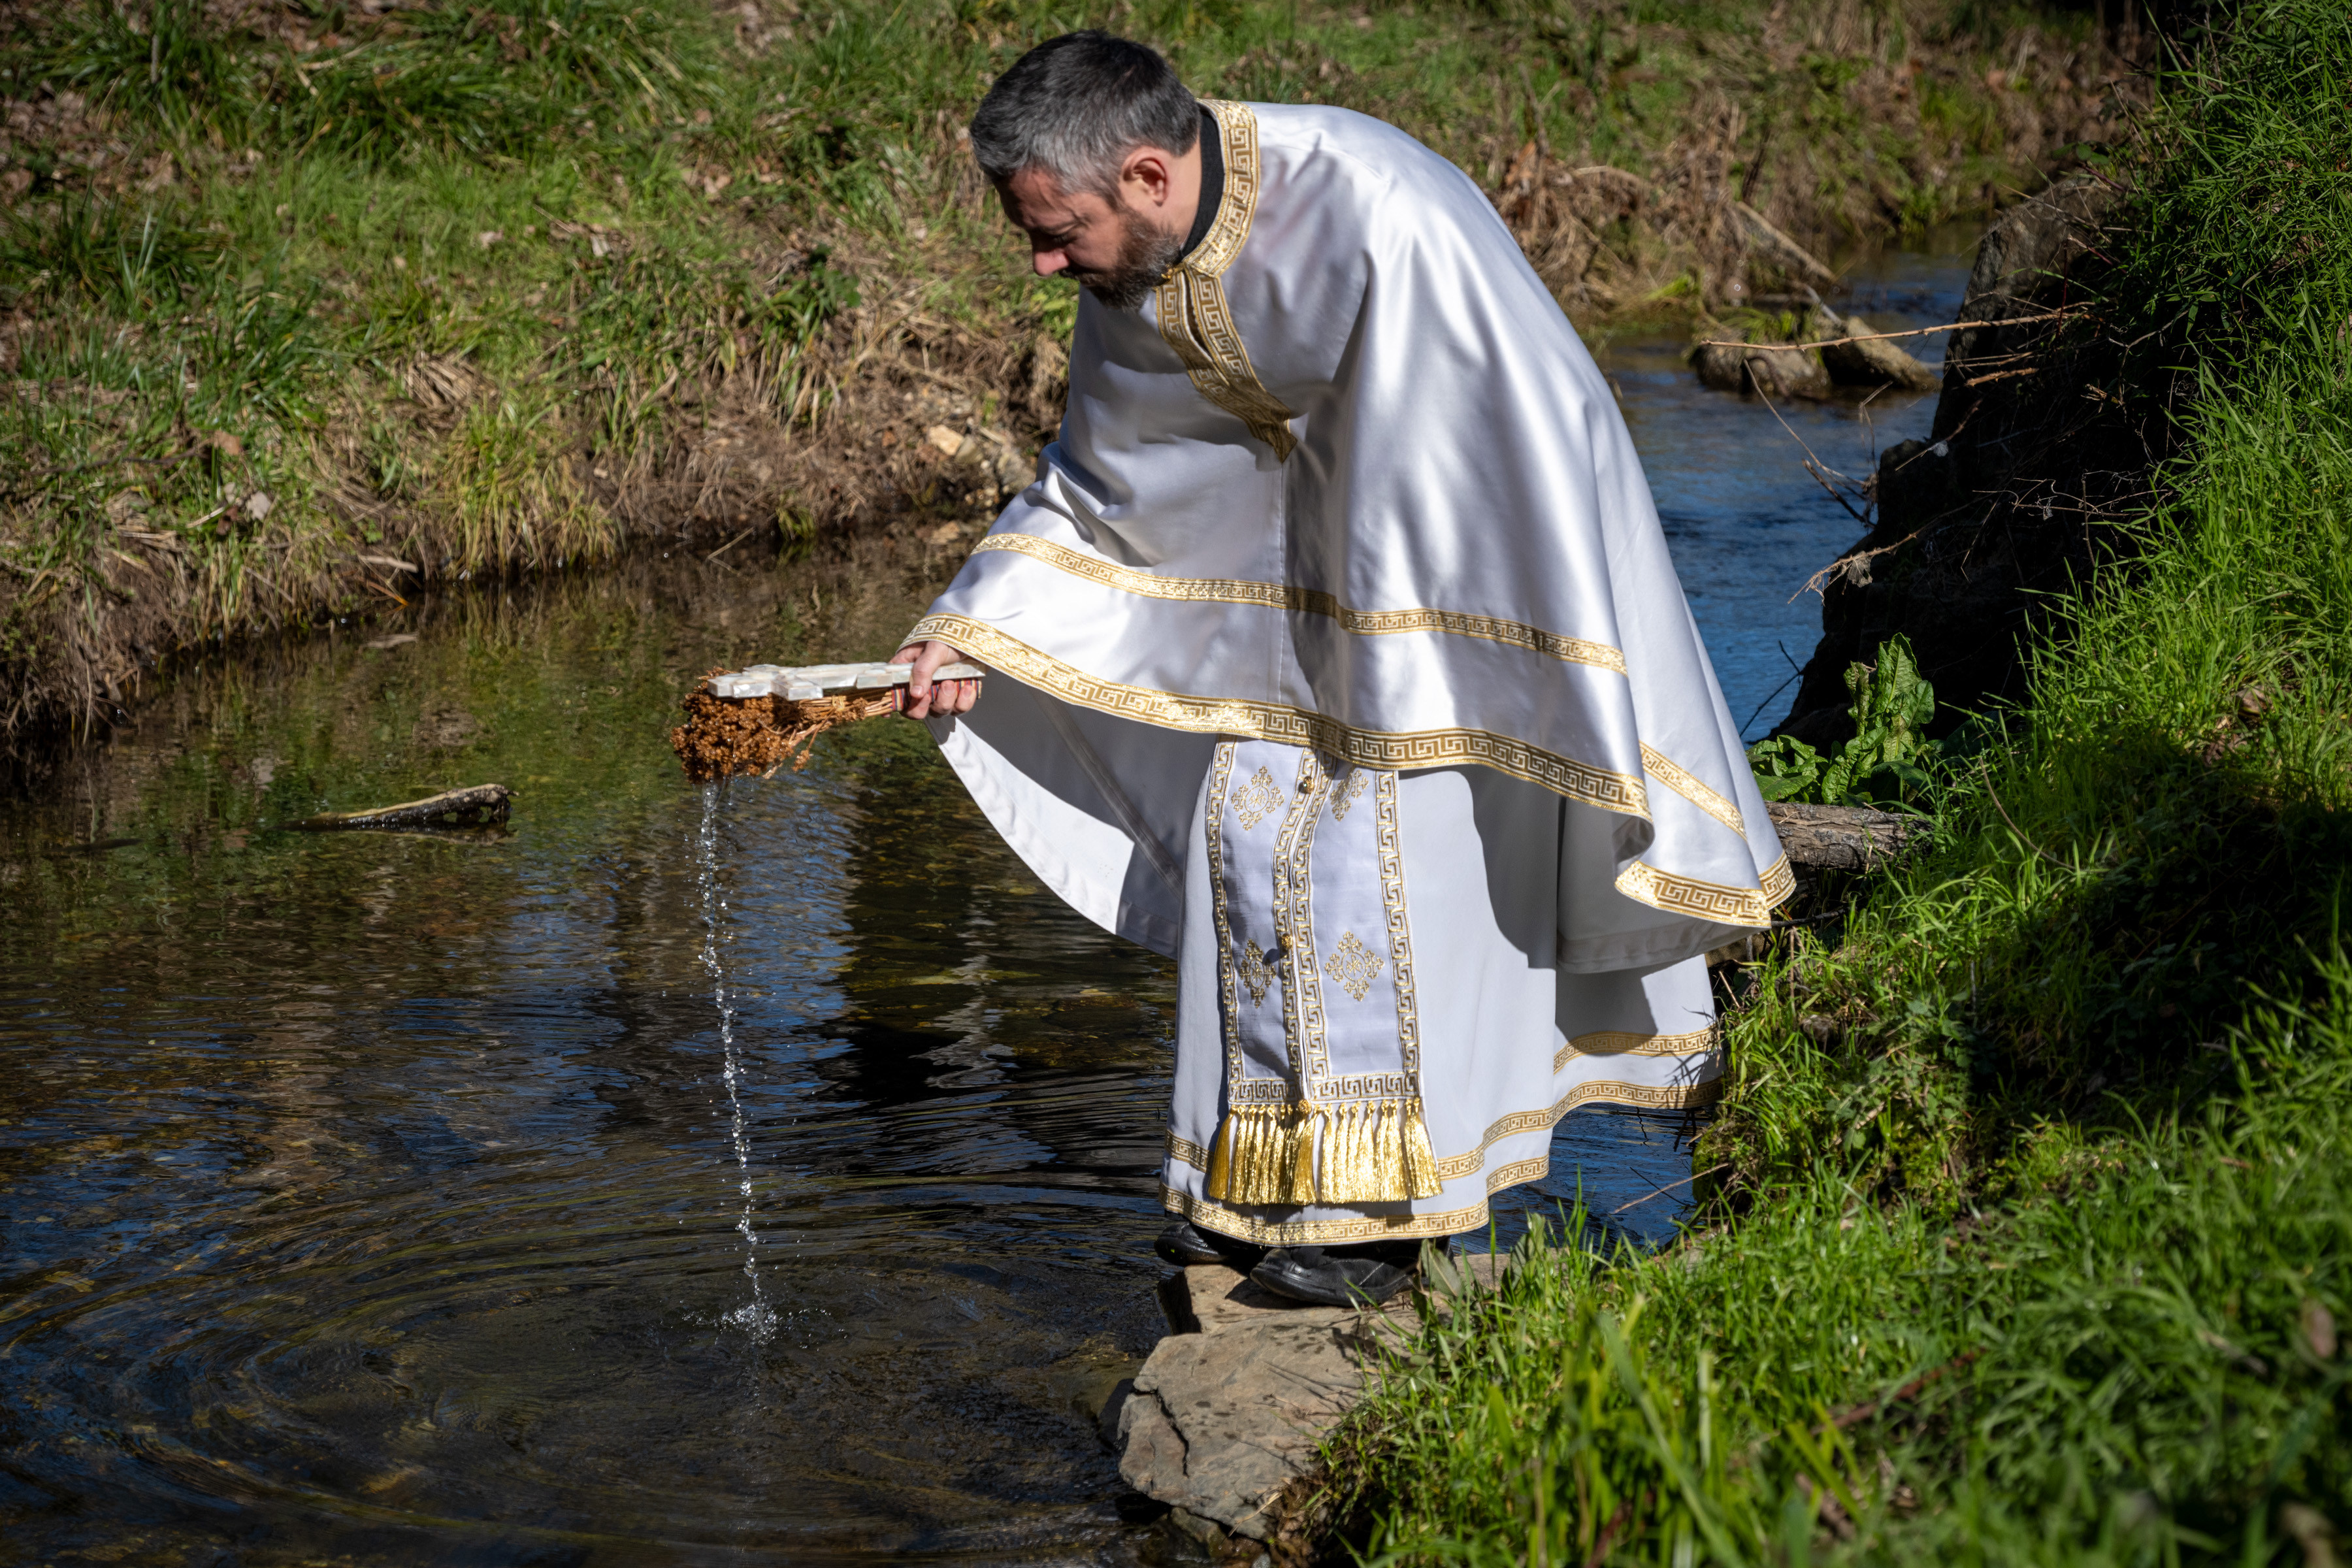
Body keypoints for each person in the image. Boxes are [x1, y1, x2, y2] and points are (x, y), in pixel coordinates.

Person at [892, 31, 1787, 1307]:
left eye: (1059, 232)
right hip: (1289, 604)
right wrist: (968, 625)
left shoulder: (1379, 207)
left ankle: (1382, 1227)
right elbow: (1102, 480)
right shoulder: (1131, 265)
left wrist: (1371, 646)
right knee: (1246, 830)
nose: (1043, 263)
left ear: (1147, 175)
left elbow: (1486, 441)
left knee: (1380, 857)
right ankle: (1256, 1190)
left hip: (1458, 597)